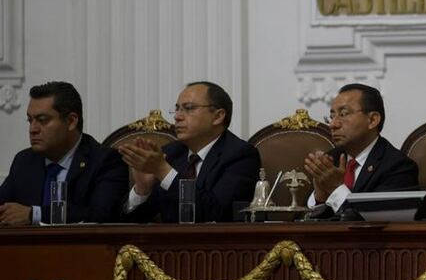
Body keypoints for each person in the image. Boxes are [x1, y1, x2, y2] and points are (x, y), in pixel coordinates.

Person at [120, 81, 260, 223]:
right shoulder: (171, 154)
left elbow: (218, 215)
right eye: (177, 109)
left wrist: (164, 171)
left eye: (188, 108)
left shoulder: (241, 155)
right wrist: (142, 189)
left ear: (218, 116)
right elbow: (131, 225)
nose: (177, 117)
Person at [0, 81, 127, 225]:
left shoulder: (105, 161)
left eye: (42, 120)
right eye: (30, 120)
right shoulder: (25, 161)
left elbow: (100, 214)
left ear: (71, 121)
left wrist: (34, 214)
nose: (33, 129)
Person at [304, 83, 418, 214]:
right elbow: (300, 221)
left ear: (372, 120)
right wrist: (320, 196)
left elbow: (374, 221)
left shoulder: (398, 167)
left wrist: (335, 187)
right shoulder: (329, 161)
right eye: (331, 116)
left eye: (344, 114)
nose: (333, 124)